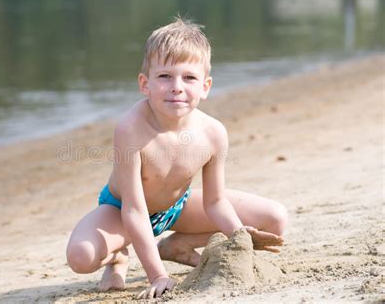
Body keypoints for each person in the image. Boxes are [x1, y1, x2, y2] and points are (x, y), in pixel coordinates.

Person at [66, 17, 288, 299]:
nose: (177, 87)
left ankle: (174, 247)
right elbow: (134, 210)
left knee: (275, 219)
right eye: (165, 76)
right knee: (81, 256)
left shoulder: (213, 133)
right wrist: (158, 276)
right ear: (144, 84)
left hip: (177, 206)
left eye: (189, 77)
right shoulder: (131, 128)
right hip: (122, 211)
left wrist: (239, 238)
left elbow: (215, 201)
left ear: (205, 86)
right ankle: (117, 257)